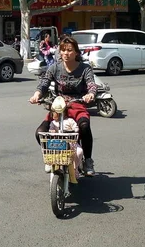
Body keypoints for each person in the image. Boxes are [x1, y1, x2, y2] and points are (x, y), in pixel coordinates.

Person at [29, 36, 97, 176]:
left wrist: (90, 94)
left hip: (77, 104)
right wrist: (37, 95)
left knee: (84, 126)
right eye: (63, 50)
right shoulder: (54, 68)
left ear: (76, 53)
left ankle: (88, 160)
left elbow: (91, 84)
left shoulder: (85, 69)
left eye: (70, 50)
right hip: (59, 106)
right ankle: (50, 158)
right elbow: (44, 83)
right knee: (40, 132)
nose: (66, 53)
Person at [49, 111, 83, 177]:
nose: (55, 118)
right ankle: (51, 164)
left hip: (70, 142)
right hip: (58, 143)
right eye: (54, 116)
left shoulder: (69, 120)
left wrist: (74, 130)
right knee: (51, 152)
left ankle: (75, 168)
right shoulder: (53, 123)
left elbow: (76, 128)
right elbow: (51, 129)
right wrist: (52, 131)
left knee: (79, 151)